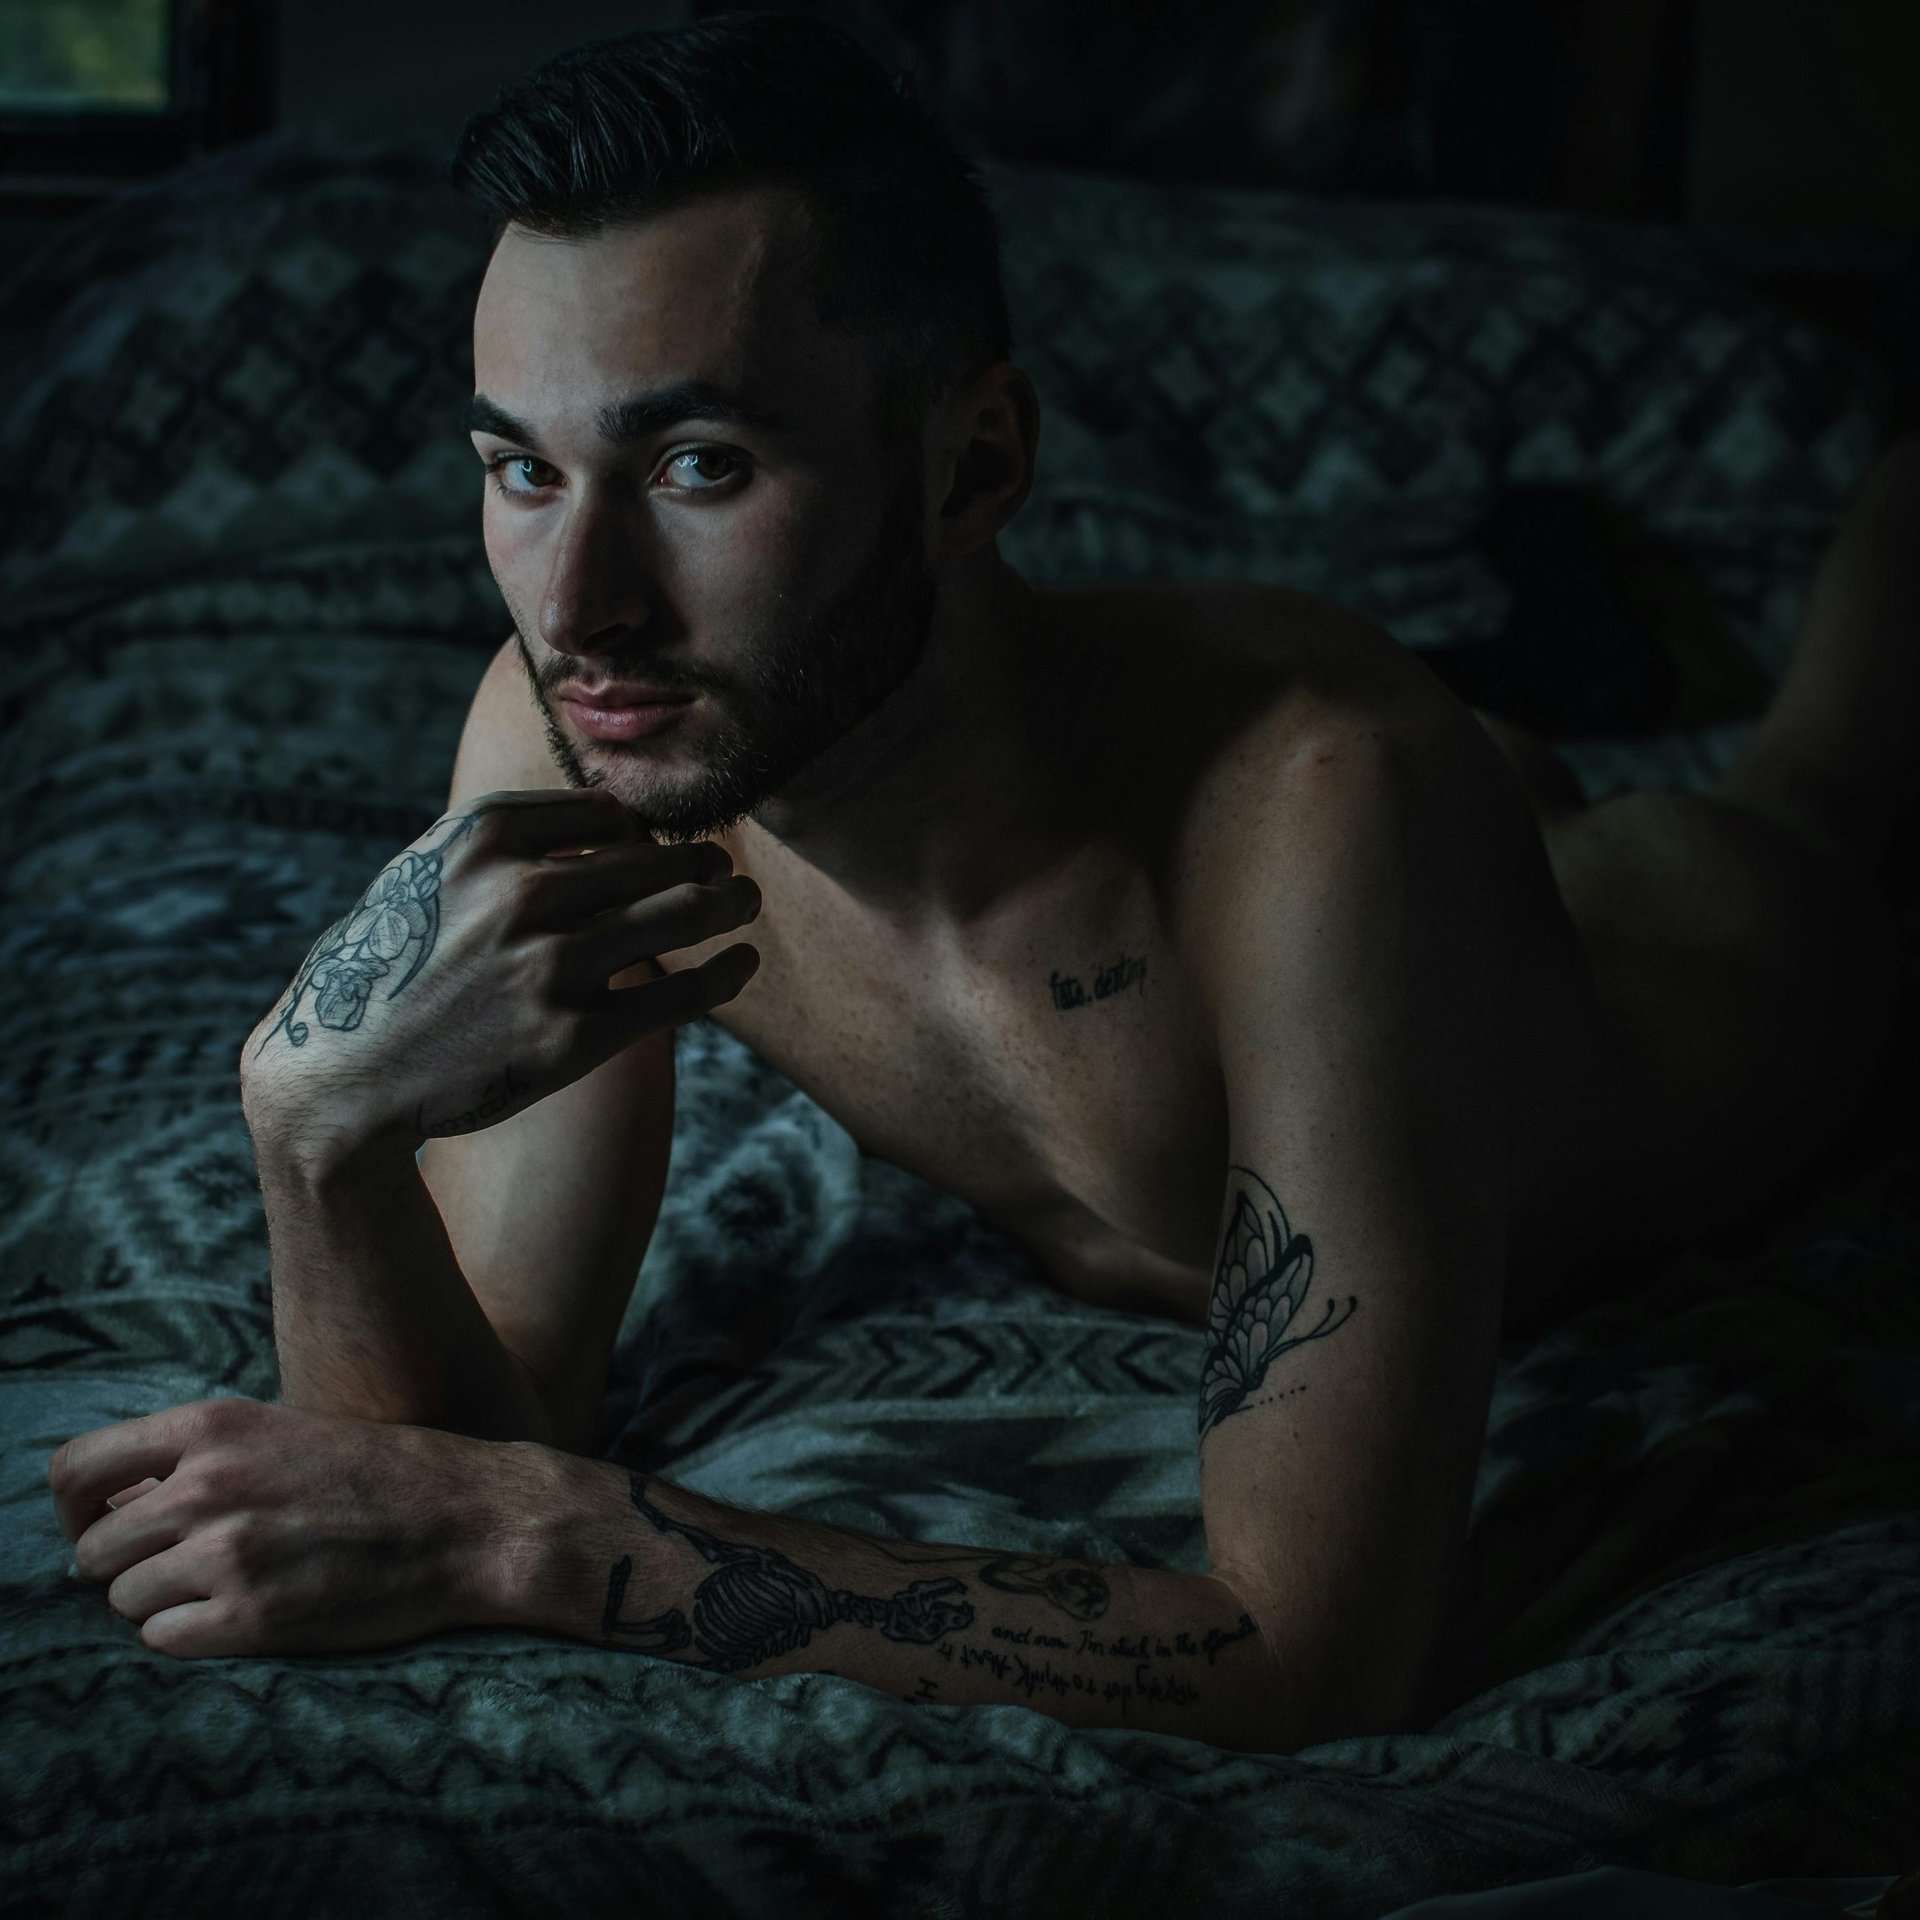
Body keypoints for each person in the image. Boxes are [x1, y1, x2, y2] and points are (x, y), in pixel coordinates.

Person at [48, 13, 1915, 1755]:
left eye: (699, 464)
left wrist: (549, 1543)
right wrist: (313, 1140)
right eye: (520, 471)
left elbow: (1315, 1647)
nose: (577, 606)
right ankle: (1547, 656)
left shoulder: (1321, 784)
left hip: (1676, 968)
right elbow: (429, 1451)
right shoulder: (594, 728)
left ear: (979, 463)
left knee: (1822, 790)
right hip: (1312, 854)